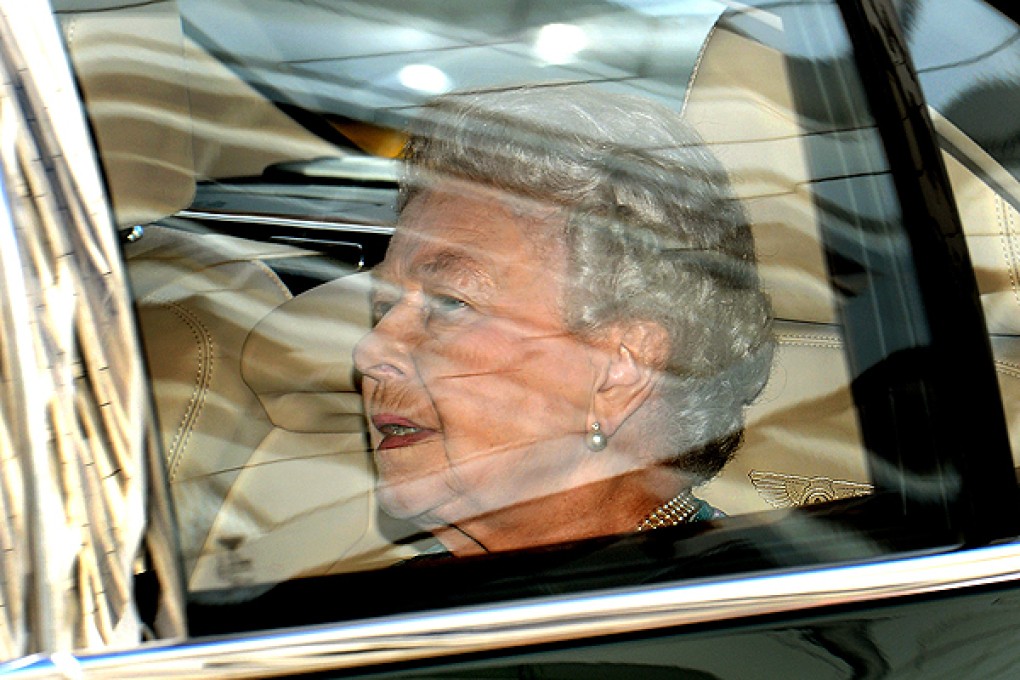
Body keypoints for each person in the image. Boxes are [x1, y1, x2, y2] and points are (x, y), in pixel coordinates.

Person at [352, 85, 773, 557]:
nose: (371, 351)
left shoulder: (727, 612)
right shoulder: (379, 607)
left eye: (450, 303)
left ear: (619, 371)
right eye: (385, 307)